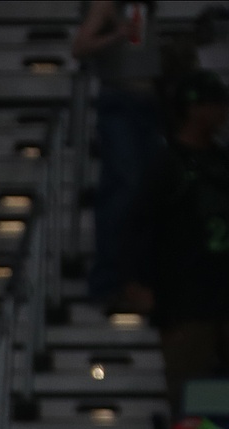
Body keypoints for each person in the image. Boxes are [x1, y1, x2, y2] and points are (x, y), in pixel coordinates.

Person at [127, 72, 229, 411]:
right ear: (194, 109)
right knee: (189, 395)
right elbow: (139, 227)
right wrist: (138, 282)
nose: (224, 113)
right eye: (216, 105)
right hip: (187, 302)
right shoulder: (165, 165)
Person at [71, 0, 164, 306]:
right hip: (121, 100)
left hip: (146, 103)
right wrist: (118, 34)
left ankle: (134, 276)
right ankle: (111, 278)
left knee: (141, 191)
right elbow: (80, 46)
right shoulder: (107, 4)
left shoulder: (144, 8)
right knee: (125, 187)